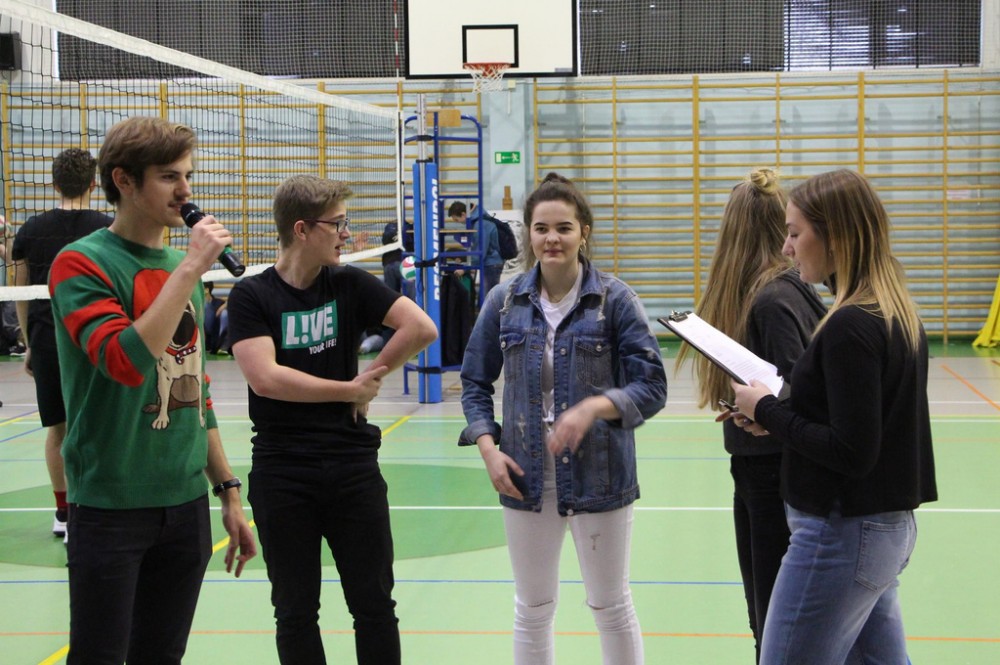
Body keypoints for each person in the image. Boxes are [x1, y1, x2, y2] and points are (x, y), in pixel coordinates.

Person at [47, 116, 257, 664]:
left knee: (162, 655)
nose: (185, 191)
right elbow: (124, 361)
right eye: (169, 177)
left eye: (188, 176)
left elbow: (195, 389)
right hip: (111, 504)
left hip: (184, 504)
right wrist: (190, 269)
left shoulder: (177, 267)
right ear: (123, 180)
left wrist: (228, 491)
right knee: (98, 655)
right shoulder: (80, 263)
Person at [226, 174, 437, 665]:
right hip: (283, 471)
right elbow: (265, 379)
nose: (346, 234)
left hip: (351, 466)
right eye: (337, 224)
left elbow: (421, 327)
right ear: (302, 229)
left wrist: (371, 375)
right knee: (295, 611)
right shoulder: (252, 295)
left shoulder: (347, 283)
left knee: (374, 606)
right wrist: (348, 391)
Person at [730, 169, 937, 665]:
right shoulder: (892, 312)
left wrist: (765, 408)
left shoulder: (849, 325)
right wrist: (778, 416)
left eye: (795, 234)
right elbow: (856, 423)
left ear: (836, 237)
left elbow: (851, 451)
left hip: (842, 534)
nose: (786, 249)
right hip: (881, 529)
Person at [459, 172, 667, 665]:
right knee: (532, 609)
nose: (552, 238)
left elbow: (652, 386)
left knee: (610, 605)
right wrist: (489, 450)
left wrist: (595, 407)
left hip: (601, 475)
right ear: (529, 235)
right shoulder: (504, 301)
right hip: (524, 476)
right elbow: (474, 383)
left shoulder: (615, 300)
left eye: (564, 228)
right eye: (541, 228)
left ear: (583, 233)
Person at [675, 168, 827, 662]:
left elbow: (800, 392)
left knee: (775, 623)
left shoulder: (773, 298)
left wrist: (766, 411)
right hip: (760, 469)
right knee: (770, 618)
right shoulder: (775, 290)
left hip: (775, 476)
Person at [10, 149, 113, 540]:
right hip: (95, 338)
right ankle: (93, 508)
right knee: (99, 426)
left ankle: (64, 512)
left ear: (54, 184)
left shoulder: (31, 230)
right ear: (94, 184)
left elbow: (20, 292)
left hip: (47, 338)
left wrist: (28, 342)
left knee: (58, 429)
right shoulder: (108, 228)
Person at [203, 280, 229, 354]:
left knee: (225, 313)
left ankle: (222, 345)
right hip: (205, 335)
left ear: (207, 290)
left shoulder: (219, 303)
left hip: (216, 334)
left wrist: (224, 306)